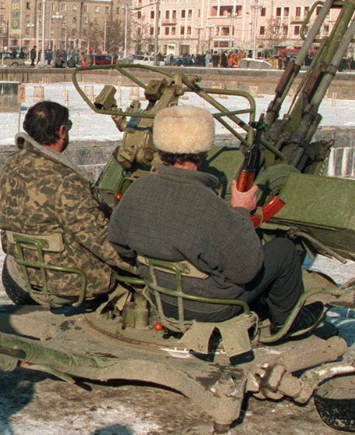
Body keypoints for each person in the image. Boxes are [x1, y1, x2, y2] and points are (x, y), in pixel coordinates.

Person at [107, 105, 312, 334]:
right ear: (203, 150)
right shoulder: (209, 205)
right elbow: (247, 270)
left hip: (162, 300)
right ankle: (288, 325)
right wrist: (242, 211)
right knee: (284, 250)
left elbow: (118, 243)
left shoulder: (138, 189)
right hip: (212, 309)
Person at [0, 100, 129, 307]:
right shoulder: (65, 180)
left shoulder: (11, 165)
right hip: (69, 282)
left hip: (24, 269)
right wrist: (141, 265)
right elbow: (101, 242)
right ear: (62, 131)